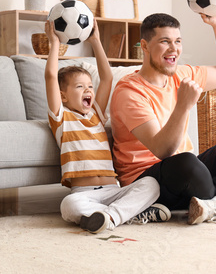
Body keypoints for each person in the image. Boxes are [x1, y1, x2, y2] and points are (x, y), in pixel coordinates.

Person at [110, 13, 216, 225]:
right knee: (187, 163)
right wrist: (183, 105)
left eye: (177, 41)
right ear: (145, 46)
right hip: (146, 181)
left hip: (185, 171)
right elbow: (162, 150)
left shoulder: (181, 74)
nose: (173, 48)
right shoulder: (129, 92)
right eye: (165, 41)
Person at [44, 19, 170, 234]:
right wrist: (54, 43)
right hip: (85, 193)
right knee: (68, 206)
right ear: (63, 96)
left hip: (114, 189)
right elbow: (50, 76)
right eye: (80, 87)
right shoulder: (61, 118)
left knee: (151, 184)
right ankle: (125, 214)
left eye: (90, 87)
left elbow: (107, 77)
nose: (88, 91)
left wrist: (95, 41)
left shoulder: (96, 114)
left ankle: (109, 216)